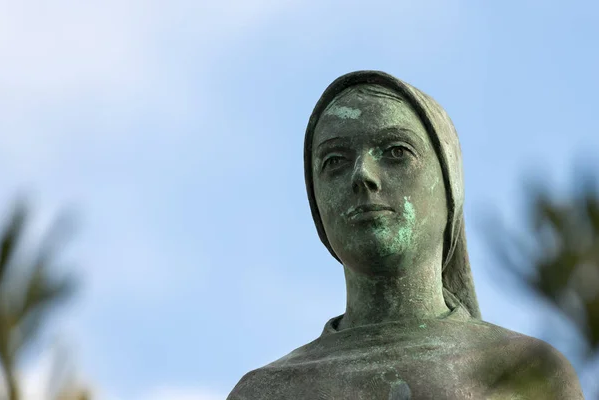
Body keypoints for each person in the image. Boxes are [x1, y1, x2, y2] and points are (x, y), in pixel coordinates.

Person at [227, 70, 583, 399]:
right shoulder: (264, 392)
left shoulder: (528, 373)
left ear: (449, 187)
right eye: (334, 160)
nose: (362, 175)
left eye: (397, 152)